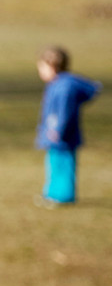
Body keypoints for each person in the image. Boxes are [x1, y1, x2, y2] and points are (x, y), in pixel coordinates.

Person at [35, 46, 100, 206]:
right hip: (54, 135)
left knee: (64, 166)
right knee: (54, 165)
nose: (40, 72)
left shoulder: (65, 87)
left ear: (53, 66)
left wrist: (58, 130)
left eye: (42, 67)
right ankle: (52, 194)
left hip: (62, 137)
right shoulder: (56, 84)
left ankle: (63, 196)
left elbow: (65, 112)